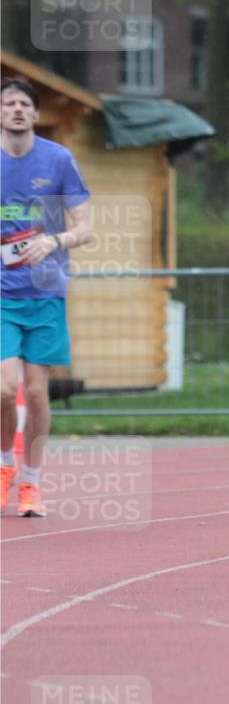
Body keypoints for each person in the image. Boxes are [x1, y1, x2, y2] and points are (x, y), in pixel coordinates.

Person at [1, 78, 92, 516]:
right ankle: (4, 466)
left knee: (37, 395)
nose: (16, 109)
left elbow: (86, 228)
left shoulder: (58, 160)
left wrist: (54, 241)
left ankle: (31, 482)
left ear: (35, 115)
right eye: (8, 104)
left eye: (24, 104)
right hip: (1, 297)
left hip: (45, 293)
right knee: (3, 392)